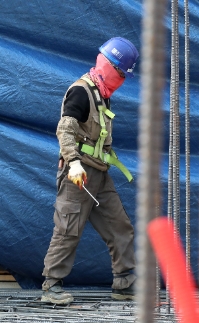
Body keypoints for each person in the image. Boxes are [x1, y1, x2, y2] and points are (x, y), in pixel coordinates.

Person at [41, 37, 139, 305]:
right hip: (79, 175)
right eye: (119, 72)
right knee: (68, 228)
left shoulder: (102, 94)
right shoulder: (81, 91)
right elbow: (66, 129)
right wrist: (72, 162)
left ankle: (125, 283)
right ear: (108, 65)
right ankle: (51, 285)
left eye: (123, 75)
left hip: (99, 174)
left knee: (119, 226)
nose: (121, 78)